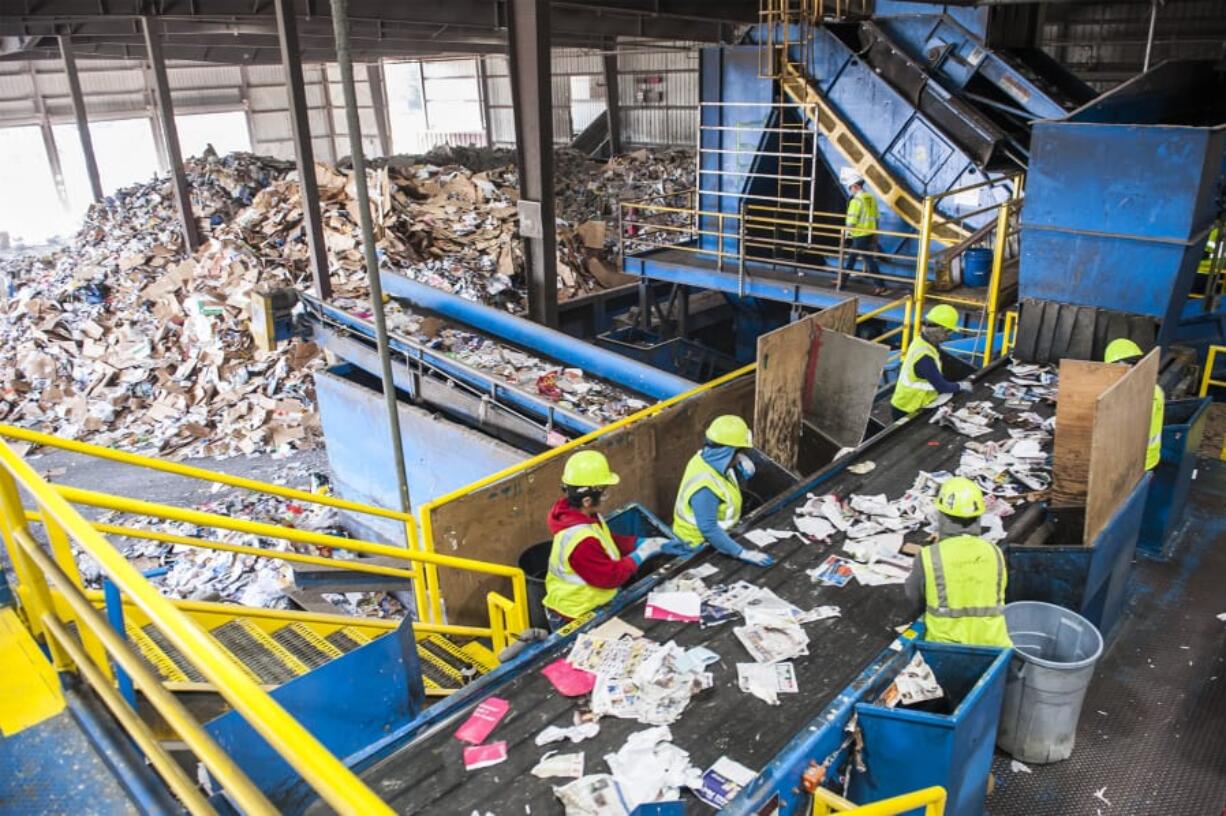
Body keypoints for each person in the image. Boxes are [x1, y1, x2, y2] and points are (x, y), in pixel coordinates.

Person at [542, 450, 669, 630]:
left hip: (588, 603)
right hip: (575, 615)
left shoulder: (585, 516)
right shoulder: (581, 540)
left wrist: (637, 543)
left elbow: (606, 541)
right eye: (603, 493)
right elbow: (610, 577)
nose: (605, 497)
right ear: (586, 500)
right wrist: (641, 554)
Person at [905, 477, 1012, 648]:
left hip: (945, 648)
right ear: (978, 517)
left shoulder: (929, 556)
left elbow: (914, 597)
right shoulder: (994, 552)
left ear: (941, 516)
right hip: (994, 645)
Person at [671, 415, 775, 568]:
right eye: (740, 450)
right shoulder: (705, 488)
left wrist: (739, 459)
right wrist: (742, 553)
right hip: (696, 547)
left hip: (718, 537)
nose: (742, 453)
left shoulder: (706, 458)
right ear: (728, 452)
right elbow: (709, 529)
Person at [890, 304, 972, 420]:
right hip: (908, 408)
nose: (949, 336)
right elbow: (942, 387)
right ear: (937, 330)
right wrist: (961, 386)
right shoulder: (924, 357)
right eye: (948, 331)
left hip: (912, 402)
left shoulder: (922, 341)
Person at [1103, 338, 1164, 471]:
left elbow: (1125, 427)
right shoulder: (1150, 387)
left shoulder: (1145, 394)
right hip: (1142, 459)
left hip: (1140, 462)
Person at [843, 172, 887, 296]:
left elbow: (851, 220)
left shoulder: (856, 200)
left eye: (850, 187)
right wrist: (876, 233)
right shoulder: (871, 198)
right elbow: (876, 217)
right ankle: (843, 280)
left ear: (856, 186)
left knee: (867, 260)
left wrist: (845, 234)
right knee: (852, 258)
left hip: (859, 234)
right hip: (869, 233)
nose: (850, 190)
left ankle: (880, 285)